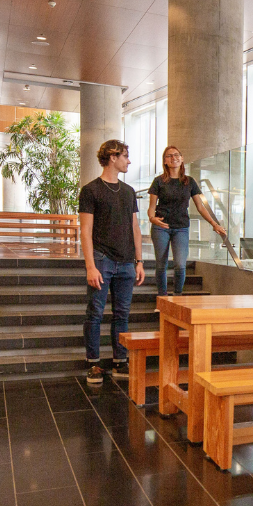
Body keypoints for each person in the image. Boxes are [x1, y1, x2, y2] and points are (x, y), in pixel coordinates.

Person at [80, 140, 146, 386]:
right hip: (102, 259)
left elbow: (135, 228)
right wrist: (90, 266)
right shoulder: (91, 190)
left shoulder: (128, 192)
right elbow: (85, 231)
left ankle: (120, 360)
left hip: (127, 262)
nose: (128, 161)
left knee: (122, 314)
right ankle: (93, 363)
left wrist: (139, 261)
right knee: (95, 313)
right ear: (112, 156)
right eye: (125, 156)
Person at [146, 146, 226, 296]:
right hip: (161, 227)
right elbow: (151, 207)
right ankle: (162, 297)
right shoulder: (159, 181)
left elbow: (201, 207)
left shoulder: (189, 181)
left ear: (182, 159)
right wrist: (152, 219)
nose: (173, 158)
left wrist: (214, 224)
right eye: (169, 156)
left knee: (180, 265)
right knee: (161, 265)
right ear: (165, 161)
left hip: (181, 227)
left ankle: (178, 296)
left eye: (177, 155)